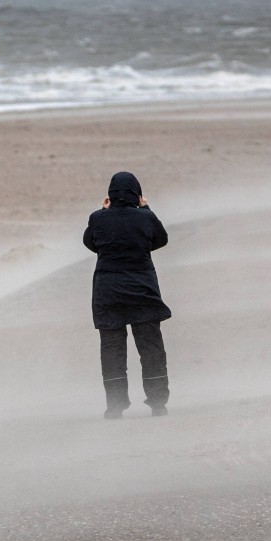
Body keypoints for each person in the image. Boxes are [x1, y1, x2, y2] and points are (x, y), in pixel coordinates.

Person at [83, 171, 172, 419]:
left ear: (110, 195)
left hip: (108, 293)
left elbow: (91, 243)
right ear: (137, 194)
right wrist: (145, 209)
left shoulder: (97, 218)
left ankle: (115, 406)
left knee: (112, 351)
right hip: (142, 290)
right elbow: (160, 240)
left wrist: (103, 212)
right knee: (151, 348)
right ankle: (157, 403)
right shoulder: (145, 217)